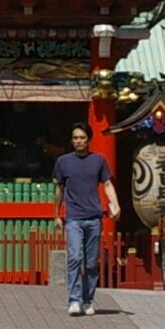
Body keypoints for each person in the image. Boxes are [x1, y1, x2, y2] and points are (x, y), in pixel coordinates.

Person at [53, 121, 119, 316]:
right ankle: (74, 299)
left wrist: (115, 204)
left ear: (88, 139)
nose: (79, 141)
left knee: (91, 262)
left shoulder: (98, 160)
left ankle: (87, 299)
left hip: (93, 217)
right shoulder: (63, 162)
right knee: (74, 257)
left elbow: (107, 184)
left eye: (82, 138)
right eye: (75, 138)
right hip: (74, 217)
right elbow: (59, 189)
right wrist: (56, 213)